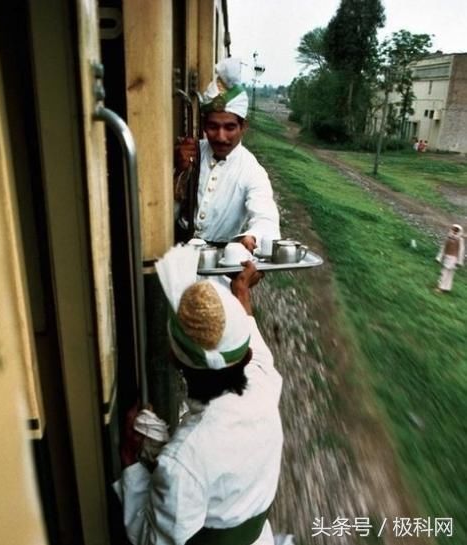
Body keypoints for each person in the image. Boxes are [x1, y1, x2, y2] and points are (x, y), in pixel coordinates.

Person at [114, 244, 283, 544]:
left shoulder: (185, 459)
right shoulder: (264, 383)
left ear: (174, 357)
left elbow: (153, 539)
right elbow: (249, 339)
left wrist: (131, 463)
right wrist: (241, 290)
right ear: (243, 354)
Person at [174, 57, 280, 252]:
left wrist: (253, 236)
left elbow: (266, 218)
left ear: (243, 127)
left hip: (222, 265)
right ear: (205, 126)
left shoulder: (251, 170)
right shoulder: (189, 153)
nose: (221, 137)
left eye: (230, 127)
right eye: (213, 127)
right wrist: (178, 171)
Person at [435, 224, 464, 292]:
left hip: (454, 259)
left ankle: (444, 287)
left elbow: (461, 251)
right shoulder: (448, 237)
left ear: (459, 231)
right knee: (444, 272)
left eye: (457, 230)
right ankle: (442, 287)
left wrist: (459, 261)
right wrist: (439, 257)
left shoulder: (460, 240)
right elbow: (443, 248)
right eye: (454, 229)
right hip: (447, 257)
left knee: (448, 273)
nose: (455, 231)